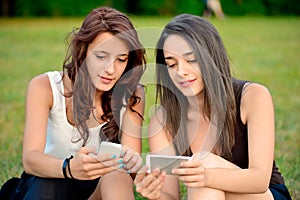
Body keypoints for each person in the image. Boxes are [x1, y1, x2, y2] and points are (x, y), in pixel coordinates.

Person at [134, 14, 292, 200]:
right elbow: (171, 197)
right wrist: (156, 194)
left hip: (264, 196)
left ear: (211, 55)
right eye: (172, 64)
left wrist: (206, 175)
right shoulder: (164, 120)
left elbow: (259, 180)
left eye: (191, 60)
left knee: (204, 163)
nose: (181, 72)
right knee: (205, 181)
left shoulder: (252, 96)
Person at [0, 7, 146, 200]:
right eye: (101, 56)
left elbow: (130, 169)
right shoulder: (45, 87)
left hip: (97, 190)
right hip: (51, 179)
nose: (111, 69)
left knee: (117, 176)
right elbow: (30, 159)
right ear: (83, 50)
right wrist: (70, 168)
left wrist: (132, 162)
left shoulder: (132, 93)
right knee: (47, 184)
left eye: (121, 59)